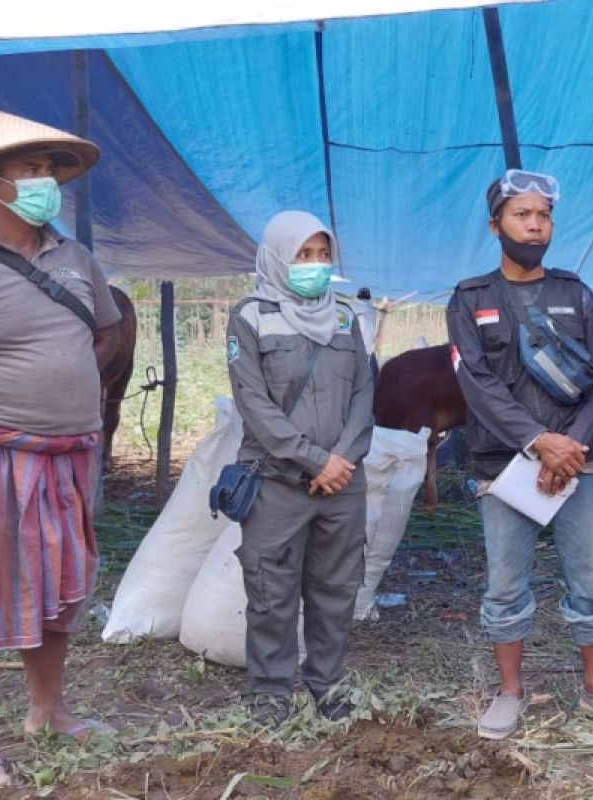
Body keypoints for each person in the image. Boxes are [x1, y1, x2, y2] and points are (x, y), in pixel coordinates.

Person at [447, 169, 593, 740]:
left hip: (579, 466)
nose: (535, 226)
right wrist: (539, 442)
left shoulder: (576, 292)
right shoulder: (469, 299)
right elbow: (476, 385)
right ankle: (510, 694)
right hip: (504, 467)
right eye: (522, 215)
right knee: (505, 586)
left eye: (544, 216)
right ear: (495, 225)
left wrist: (569, 448)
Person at [0, 108, 123, 792]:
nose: (45, 182)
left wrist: (66, 387)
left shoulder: (75, 258)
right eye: (29, 170)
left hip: (70, 453)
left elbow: (105, 332)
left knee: (60, 586)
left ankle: (48, 710)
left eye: (49, 170)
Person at [226, 211, 374, 726]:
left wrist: (344, 460)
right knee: (271, 591)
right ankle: (269, 694)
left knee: (336, 589)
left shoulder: (344, 317)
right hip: (276, 480)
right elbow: (254, 403)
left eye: (321, 254)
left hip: (342, 483)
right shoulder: (250, 315)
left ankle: (328, 684)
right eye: (301, 255)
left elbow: (363, 391)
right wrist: (316, 460)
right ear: (275, 258)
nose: (314, 265)